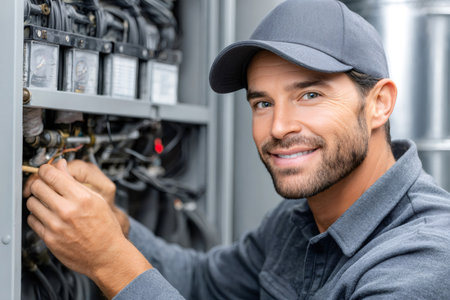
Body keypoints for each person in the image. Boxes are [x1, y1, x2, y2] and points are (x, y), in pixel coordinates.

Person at [24, 0, 450, 299]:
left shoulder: (423, 262)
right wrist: (116, 227)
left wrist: (108, 261)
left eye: (310, 96)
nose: (279, 127)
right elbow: (205, 284)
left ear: (379, 103)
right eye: (262, 102)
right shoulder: (301, 219)